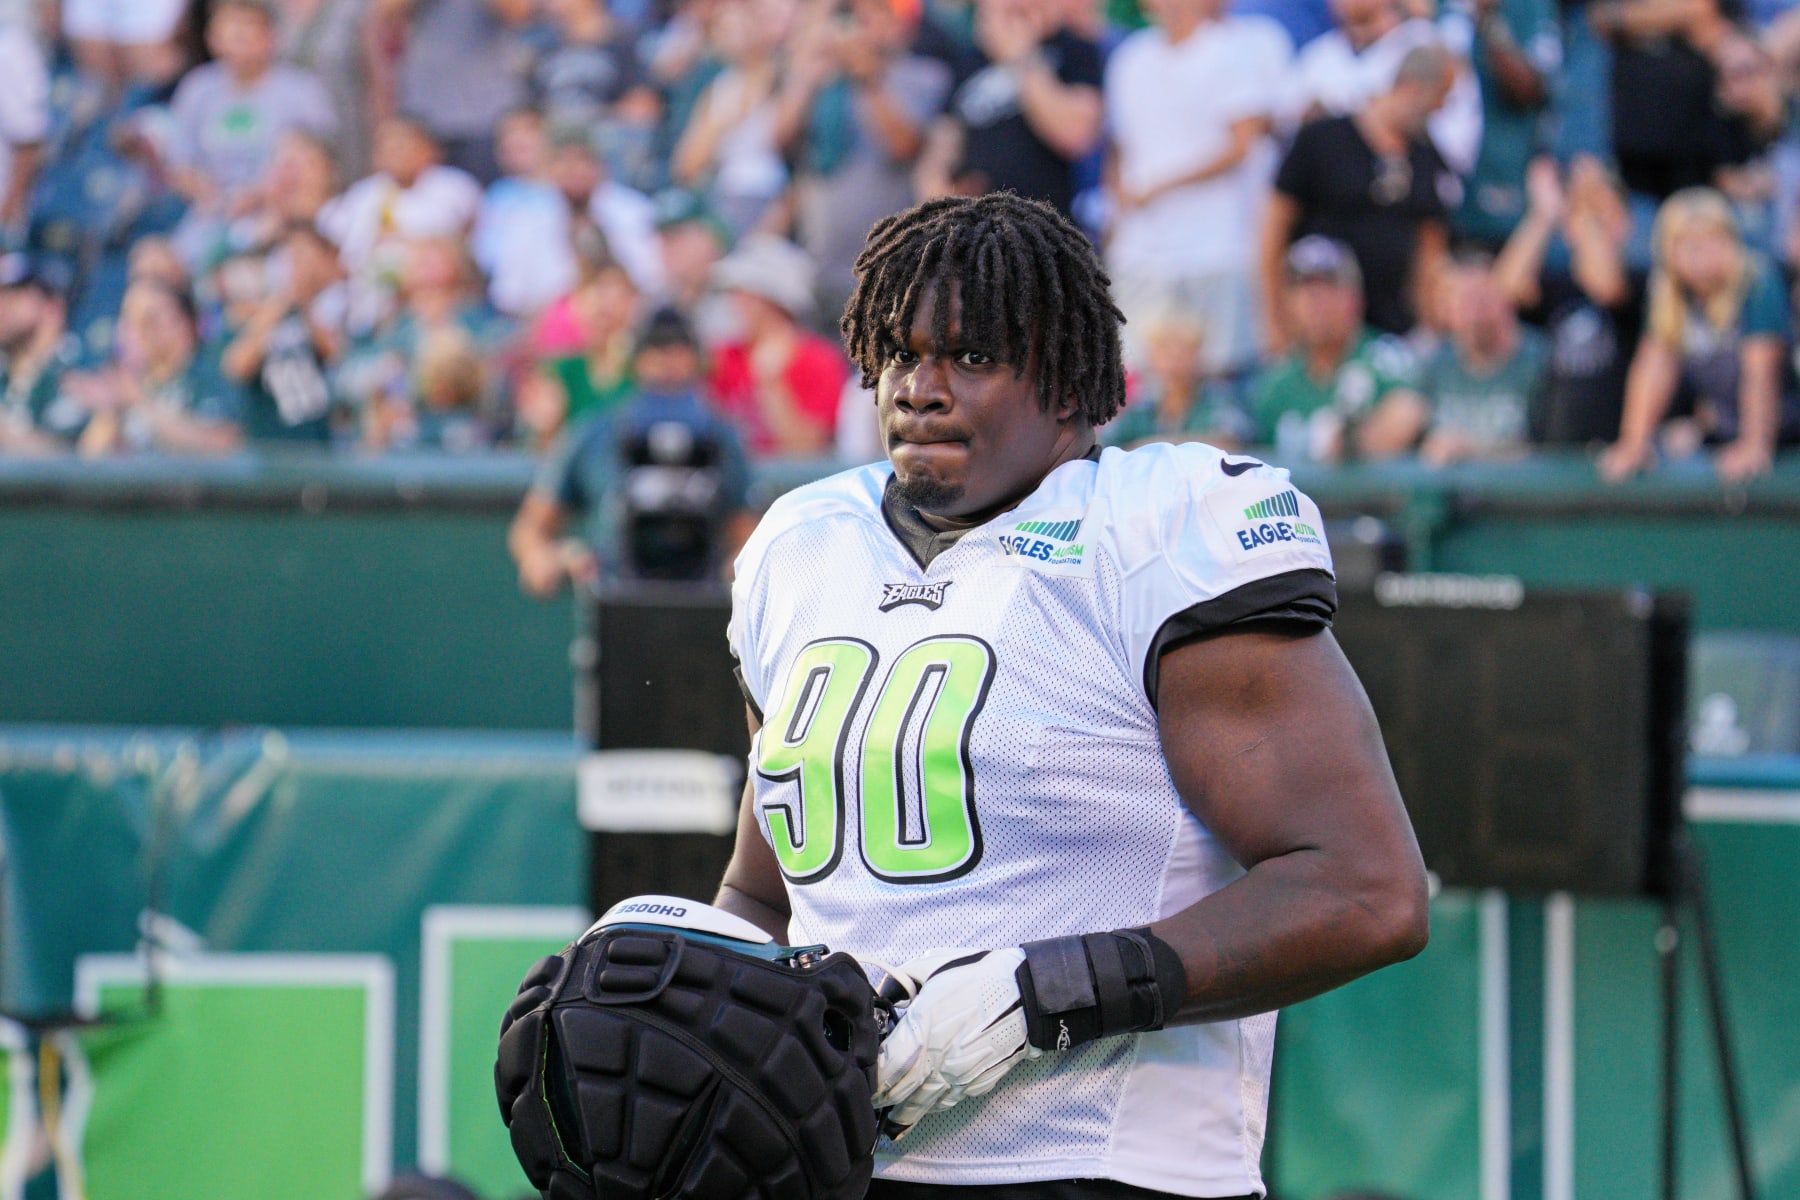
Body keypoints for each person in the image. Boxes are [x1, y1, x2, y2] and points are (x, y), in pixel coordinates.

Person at [715, 192, 1428, 1198]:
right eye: (900, 353)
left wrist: (1052, 990)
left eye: (970, 356)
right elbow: (763, 889)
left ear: (1067, 382)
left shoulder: (1154, 533)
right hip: (844, 1169)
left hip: (1104, 1168)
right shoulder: (801, 545)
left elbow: (1367, 893)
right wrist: (705, 1016)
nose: (920, 388)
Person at [510, 306, 752, 595]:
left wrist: (740, 566)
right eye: (656, 348)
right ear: (636, 359)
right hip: (617, 597)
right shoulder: (596, 433)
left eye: (679, 349)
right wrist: (546, 557)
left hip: (700, 601)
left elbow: (745, 531)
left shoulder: (721, 437)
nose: (666, 360)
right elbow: (532, 525)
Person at [1104, 0, 1283, 378]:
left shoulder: (1232, 51)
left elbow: (1242, 143)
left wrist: (1162, 186)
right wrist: (1118, 217)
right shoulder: (1129, 59)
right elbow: (1119, 149)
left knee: (1218, 376)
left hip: (1216, 246)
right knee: (1137, 374)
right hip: (1141, 251)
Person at [1262, 43, 1457, 344]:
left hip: (1393, 333)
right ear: (1411, 86)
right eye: (1441, 95)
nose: (1441, 108)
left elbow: (1429, 249)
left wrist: (1429, 326)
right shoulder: (1322, 139)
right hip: (1319, 332)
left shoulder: (1426, 157)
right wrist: (1274, 324)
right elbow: (1273, 230)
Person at [1600, 187, 1794, 483]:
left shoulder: (1757, 281)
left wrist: (1754, 445)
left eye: (1711, 241)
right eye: (1689, 245)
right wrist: (1633, 444)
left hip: (1786, 430)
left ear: (1731, 241)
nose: (1701, 255)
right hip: (1725, 430)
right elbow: (1652, 368)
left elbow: (1760, 372)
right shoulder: (1667, 293)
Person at [914, 0, 1105, 217]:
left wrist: (1021, 57)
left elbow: (1075, 135)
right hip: (975, 228)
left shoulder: (1072, 49)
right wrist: (938, 186)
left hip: (1043, 228)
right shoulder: (969, 60)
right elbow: (943, 138)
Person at [1250, 235, 1429, 462]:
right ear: (1288, 304)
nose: (1317, 303)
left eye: (1329, 288)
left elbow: (1408, 413)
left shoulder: (1385, 358)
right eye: (1306, 291)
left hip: (1376, 497)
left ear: (1355, 298)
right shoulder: (1275, 381)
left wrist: (1348, 444)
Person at [165, 0, 337, 224]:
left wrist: (261, 194)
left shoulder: (302, 91)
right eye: (232, 26)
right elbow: (179, 161)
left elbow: (322, 163)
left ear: (271, 36)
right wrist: (207, 193)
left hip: (281, 216)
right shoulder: (197, 89)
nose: (241, 35)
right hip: (209, 215)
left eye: (249, 25)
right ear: (211, 36)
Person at [708, 233, 847, 455]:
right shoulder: (723, 356)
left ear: (774, 302)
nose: (735, 305)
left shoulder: (819, 360)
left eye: (746, 296)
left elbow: (807, 452)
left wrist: (771, 385)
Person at [1415, 249, 1548, 464]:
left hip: (1519, 494)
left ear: (1504, 299)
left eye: (1481, 299)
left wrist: (1474, 450)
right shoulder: (1435, 363)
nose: (1473, 313)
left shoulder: (1541, 360)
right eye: (1461, 301)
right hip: (1452, 493)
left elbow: (1553, 451)